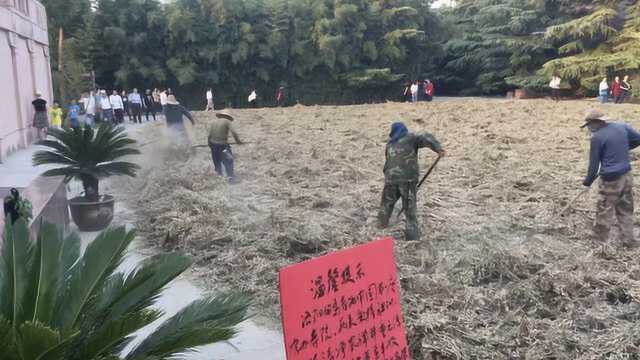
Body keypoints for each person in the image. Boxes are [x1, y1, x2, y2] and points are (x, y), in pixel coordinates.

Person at [581, 109, 640, 249]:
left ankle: (599, 243)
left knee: (604, 210)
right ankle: (629, 241)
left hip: (610, 181)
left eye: (589, 124)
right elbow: (638, 139)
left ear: (596, 122)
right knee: (625, 209)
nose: (588, 128)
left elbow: (594, 165)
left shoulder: (597, 137)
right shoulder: (622, 126)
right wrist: (623, 148)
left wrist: (587, 183)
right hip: (626, 176)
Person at [378, 122, 445, 241]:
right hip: (407, 179)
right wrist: (438, 148)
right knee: (410, 208)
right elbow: (426, 136)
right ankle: (412, 238)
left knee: (386, 204)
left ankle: (380, 227)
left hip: (390, 178)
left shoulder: (390, 143)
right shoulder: (411, 138)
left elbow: (387, 161)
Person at [208, 110, 242, 183]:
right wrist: (238, 141)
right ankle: (231, 179)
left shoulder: (213, 122)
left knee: (217, 163)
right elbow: (234, 132)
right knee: (229, 161)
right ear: (227, 117)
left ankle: (219, 180)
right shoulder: (227, 122)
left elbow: (209, 135)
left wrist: (210, 144)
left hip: (213, 146)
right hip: (223, 146)